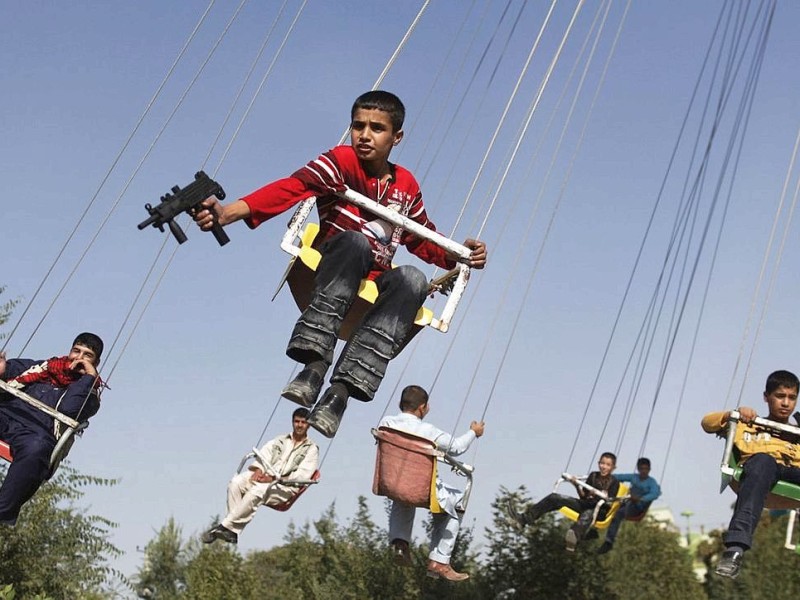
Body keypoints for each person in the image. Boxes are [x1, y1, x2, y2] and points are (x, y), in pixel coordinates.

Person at [193, 91, 487, 438]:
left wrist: (460, 256)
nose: (364, 135)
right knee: (355, 241)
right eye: (358, 125)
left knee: (413, 278)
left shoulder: (406, 184)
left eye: (377, 128)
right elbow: (293, 187)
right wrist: (229, 213)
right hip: (338, 263)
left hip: (375, 281)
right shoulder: (340, 162)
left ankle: (340, 395)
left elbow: (421, 237)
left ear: (397, 138)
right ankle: (315, 365)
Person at [378, 384, 484, 582]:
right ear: (422, 408)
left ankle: (400, 542)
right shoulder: (429, 431)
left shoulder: (386, 422)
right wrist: (473, 432)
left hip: (392, 482)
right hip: (422, 489)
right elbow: (457, 447)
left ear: (401, 404)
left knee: (404, 495)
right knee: (458, 501)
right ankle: (439, 560)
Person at [701, 369, 800, 578]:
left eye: (792, 398)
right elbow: (707, 423)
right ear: (767, 397)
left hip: (794, 472)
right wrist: (733, 414)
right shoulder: (749, 424)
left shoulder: (796, 433)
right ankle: (735, 549)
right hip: (761, 470)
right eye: (780, 396)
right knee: (764, 461)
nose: (786, 403)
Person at [0, 332, 104, 525]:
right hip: (6, 416)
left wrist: (88, 377)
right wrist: (2, 369)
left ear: (95, 363)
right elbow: (9, 369)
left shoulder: (89, 396)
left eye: (87, 355)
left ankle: (2, 511)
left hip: (35, 433)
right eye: (76, 351)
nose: (79, 358)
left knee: (36, 449)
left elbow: (69, 409)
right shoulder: (43, 367)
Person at [202, 407, 319, 544]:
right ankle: (232, 532)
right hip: (266, 476)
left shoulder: (311, 449)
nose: (299, 425)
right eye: (296, 421)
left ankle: (223, 526)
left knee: (257, 491)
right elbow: (264, 454)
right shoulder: (280, 440)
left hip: (285, 486)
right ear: (292, 422)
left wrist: (274, 479)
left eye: (303, 422)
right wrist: (258, 469)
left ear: (309, 425)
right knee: (236, 482)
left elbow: (302, 475)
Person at [505, 452, 620, 551]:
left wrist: (603, 496)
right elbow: (583, 497)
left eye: (608, 465)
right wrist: (576, 485)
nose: (604, 467)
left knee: (588, 513)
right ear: (598, 463)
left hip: (599, 510)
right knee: (554, 498)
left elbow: (610, 501)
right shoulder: (593, 476)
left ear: (613, 467)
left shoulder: (614, 482)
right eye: (602, 463)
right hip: (586, 504)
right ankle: (523, 519)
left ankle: (575, 535)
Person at [597, 457, 661, 554]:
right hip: (627, 502)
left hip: (637, 508)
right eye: (641, 469)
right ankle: (594, 528)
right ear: (638, 469)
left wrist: (640, 499)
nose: (644, 471)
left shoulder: (651, 483)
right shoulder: (634, 477)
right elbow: (619, 477)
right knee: (606, 506)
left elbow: (655, 493)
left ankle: (609, 542)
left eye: (646, 469)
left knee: (618, 514)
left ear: (649, 469)